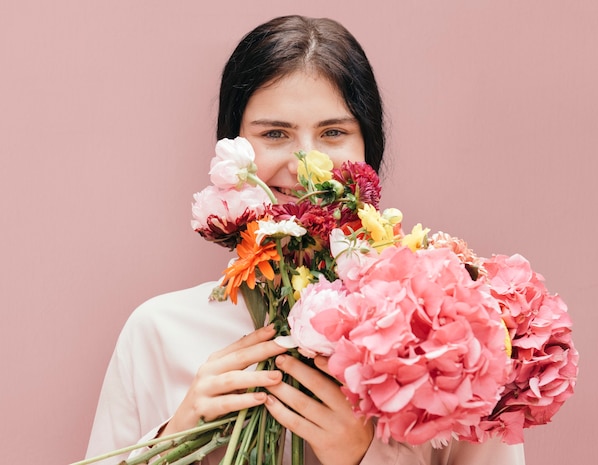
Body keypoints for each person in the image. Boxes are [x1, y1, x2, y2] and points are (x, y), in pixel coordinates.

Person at [86, 15, 526, 465]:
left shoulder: (445, 338)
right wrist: (173, 439)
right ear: (232, 149)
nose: (304, 165)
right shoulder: (158, 332)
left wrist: (363, 455)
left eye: (333, 133)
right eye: (274, 134)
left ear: (368, 151)